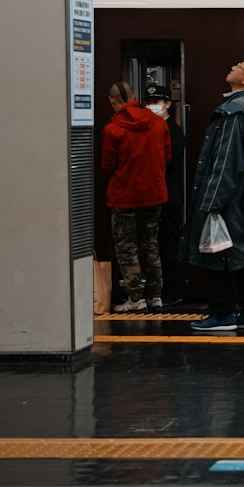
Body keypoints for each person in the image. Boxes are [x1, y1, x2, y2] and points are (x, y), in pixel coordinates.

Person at [187, 56, 244, 333]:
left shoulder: (235, 112)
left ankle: (222, 313)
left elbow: (225, 161)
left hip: (231, 197)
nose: (232, 68)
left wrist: (211, 204)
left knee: (219, 252)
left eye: (238, 67)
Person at [102, 80, 171, 313]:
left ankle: (135, 298)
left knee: (126, 247)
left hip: (124, 196)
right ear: (134, 97)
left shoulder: (112, 129)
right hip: (154, 194)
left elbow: (107, 165)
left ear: (112, 101)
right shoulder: (159, 124)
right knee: (150, 244)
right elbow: (167, 157)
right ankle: (156, 296)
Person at [144, 82, 188, 306]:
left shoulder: (173, 130)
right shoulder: (153, 128)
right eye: (149, 102)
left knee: (169, 244)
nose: (152, 106)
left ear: (168, 104)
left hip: (170, 196)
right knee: (157, 244)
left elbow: (169, 163)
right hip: (158, 195)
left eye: (157, 102)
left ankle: (174, 290)